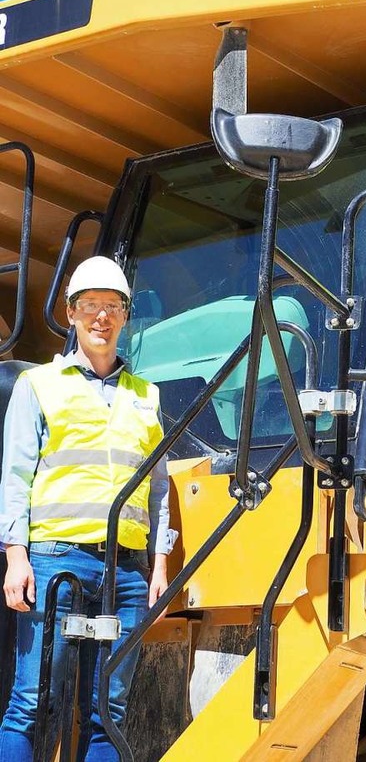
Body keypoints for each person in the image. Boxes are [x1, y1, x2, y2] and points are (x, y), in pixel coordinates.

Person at [0, 256, 172, 761]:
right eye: (92, 305)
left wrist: (160, 563)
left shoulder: (147, 395)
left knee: (109, 710)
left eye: (113, 307)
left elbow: (158, 487)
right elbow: (14, 475)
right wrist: (15, 556)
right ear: (71, 313)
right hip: (55, 559)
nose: (103, 316)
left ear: (125, 317)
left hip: (128, 573)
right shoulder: (39, 386)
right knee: (31, 701)